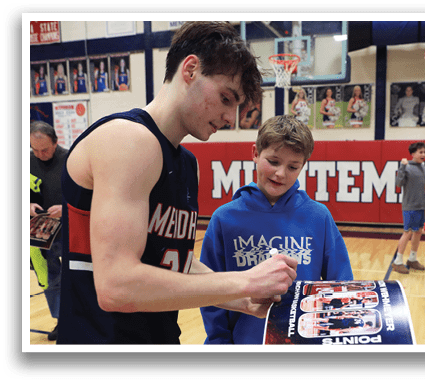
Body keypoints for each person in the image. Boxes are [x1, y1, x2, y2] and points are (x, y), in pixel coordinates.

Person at [57, 21, 298, 345]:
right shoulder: (128, 139)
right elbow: (116, 286)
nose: (230, 117)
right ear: (190, 69)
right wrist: (245, 282)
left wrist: (245, 301)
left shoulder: (186, 163)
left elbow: (174, 263)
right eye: (226, 98)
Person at [199, 115, 353, 344]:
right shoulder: (225, 218)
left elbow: (341, 285)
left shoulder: (318, 217)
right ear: (255, 153)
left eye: (293, 167)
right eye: (273, 161)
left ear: (303, 166)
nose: (281, 173)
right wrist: (219, 340)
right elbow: (209, 290)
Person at [30, 121, 68, 340]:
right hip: (41, 230)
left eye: (44, 149)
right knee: (50, 278)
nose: (40, 154)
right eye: (35, 150)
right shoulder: (28, 161)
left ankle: (84, 319)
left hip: (72, 227)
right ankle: (60, 320)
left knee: (79, 277)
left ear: (56, 142)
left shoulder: (72, 159)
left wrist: (64, 208)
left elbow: (89, 195)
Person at [393, 142, 425, 274]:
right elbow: (398, 183)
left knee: (418, 231)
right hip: (409, 206)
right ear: (413, 154)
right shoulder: (407, 166)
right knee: (408, 232)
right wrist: (402, 167)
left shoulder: (423, 167)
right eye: (420, 152)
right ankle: (398, 261)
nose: (423, 155)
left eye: (424, 152)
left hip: (421, 205)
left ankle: (412, 259)